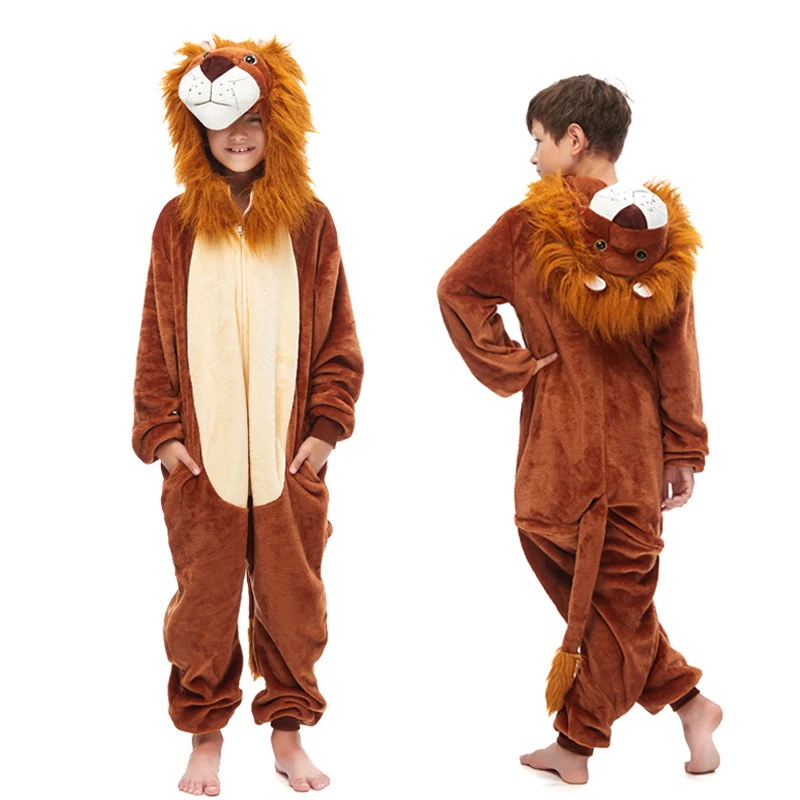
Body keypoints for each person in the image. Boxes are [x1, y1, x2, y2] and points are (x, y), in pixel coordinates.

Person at [436, 75, 721, 785]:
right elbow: (678, 355)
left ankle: (577, 744)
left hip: (577, 453)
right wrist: (681, 448)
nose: (532, 157)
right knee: (612, 600)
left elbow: (456, 290)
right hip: (606, 455)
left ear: (574, 138)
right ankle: (690, 703)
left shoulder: (548, 228)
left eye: (538, 140)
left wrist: (517, 362)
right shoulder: (619, 230)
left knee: (615, 600)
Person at [132, 36, 363, 795]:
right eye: (223, 124)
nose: (238, 136)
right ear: (197, 131)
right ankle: (205, 737)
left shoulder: (310, 223)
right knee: (202, 604)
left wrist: (325, 431)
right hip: (203, 462)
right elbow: (154, 337)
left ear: (278, 126)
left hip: (289, 458)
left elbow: (339, 339)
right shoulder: (175, 224)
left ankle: (288, 735)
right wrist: (162, 435)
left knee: (295, 602)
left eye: (254, 121)